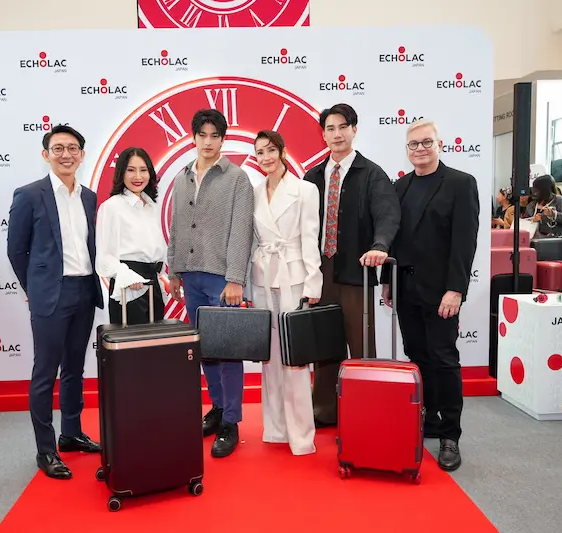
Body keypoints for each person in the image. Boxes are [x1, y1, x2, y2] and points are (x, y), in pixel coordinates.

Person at [7, 125, 105, 480]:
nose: (67, 154)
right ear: (46, 154)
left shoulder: (89, 197)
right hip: (50, 294)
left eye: (73, 148)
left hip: (84, 290)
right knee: (45, 372)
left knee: (75, 369)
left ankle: (71, 433)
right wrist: (34, 288)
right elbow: (16, 250)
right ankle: (46, 450)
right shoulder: (29, 195)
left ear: (82, 154)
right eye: (59, 148)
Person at [381, 119, 480, 471]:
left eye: (426, 142)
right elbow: (394, 238)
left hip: (441, 292)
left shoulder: (460, 183)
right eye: (413, 144)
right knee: (417, 356)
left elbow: (464, 242)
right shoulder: (400, 186)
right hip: (405, 288)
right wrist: (388, 281)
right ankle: (430, 418)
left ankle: (450, 435)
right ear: (406, 150)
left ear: (440, 144)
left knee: (443, 359)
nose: (420, 149)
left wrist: (456, 289)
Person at [303, 103, 400, 428]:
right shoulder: (312, 176)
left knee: (361, 346)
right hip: (320, 273)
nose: (337, 134)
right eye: (330, 129)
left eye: (343, 127)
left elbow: (387, 214)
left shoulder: (372, 173)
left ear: (354, 130)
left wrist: (379, 245)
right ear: (323, 134)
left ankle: (363, 414)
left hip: (356, 271)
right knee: (324, 346)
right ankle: (324, 411)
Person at [167, 108, 254, 458]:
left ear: (222, 139)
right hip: (190, 275)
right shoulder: (182, 177)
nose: (207, 142)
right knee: (205, 349)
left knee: (227, 351)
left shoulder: (237, 178)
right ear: (193, 137)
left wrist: (235, 278)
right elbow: (176, 226)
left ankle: (231, 421)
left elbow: (241, 231)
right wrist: (174, 270)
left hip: (221, 278)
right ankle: (217, 409)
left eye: (214, 136)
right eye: (202, 135)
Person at [250, 130, 322, 456]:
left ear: (282, 151)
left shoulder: (305, 190)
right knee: (270, 359)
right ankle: (276, 429)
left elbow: (310, 238)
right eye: (259, 152)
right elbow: (252, 241)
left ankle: (302, 436)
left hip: (293, 277)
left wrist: (313, 284)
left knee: (295, 360)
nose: (265, 157)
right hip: (262, 278)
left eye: (270, 150)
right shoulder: (254, 192)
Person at [96, 147, 165, 324]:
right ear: (121, 173)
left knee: (156, 339)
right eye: (131, 170)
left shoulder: (151, 206)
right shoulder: (111, 207)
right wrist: (126, 276)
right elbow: (104, 257)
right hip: (128, 287)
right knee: (131, 341)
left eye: (143, 170)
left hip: (153, 284)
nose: (138, 176)